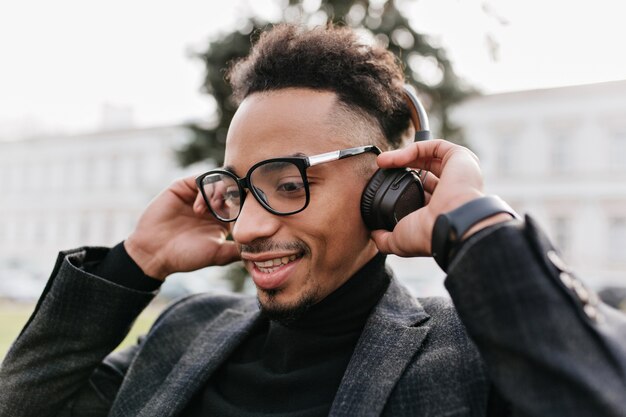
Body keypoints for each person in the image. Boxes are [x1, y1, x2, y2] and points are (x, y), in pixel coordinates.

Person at [1, 24, 625, 417]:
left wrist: (475, 228)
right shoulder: (185, 329)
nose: (244, 229)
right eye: (241, 192)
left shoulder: (473, 357)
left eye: (290, 184)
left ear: (387, 185)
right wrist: (134, 262)